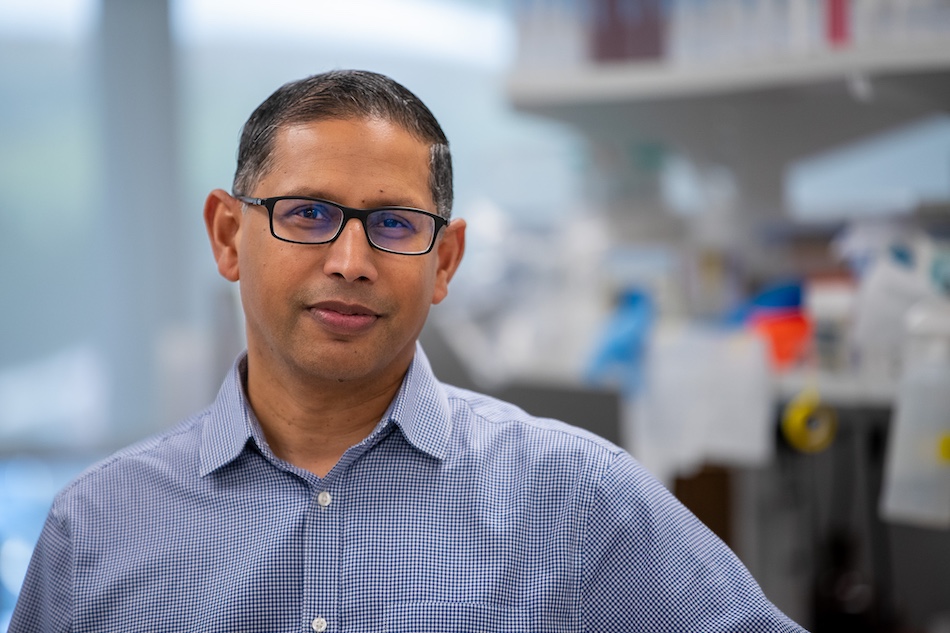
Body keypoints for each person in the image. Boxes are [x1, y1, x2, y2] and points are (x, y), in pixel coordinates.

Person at [11, 69, 807, 632]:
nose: (351, 260)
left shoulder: (578, 500)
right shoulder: (100, 527)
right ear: (228, 235)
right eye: (309, 213)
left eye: (393, 224)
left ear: (445, 262)